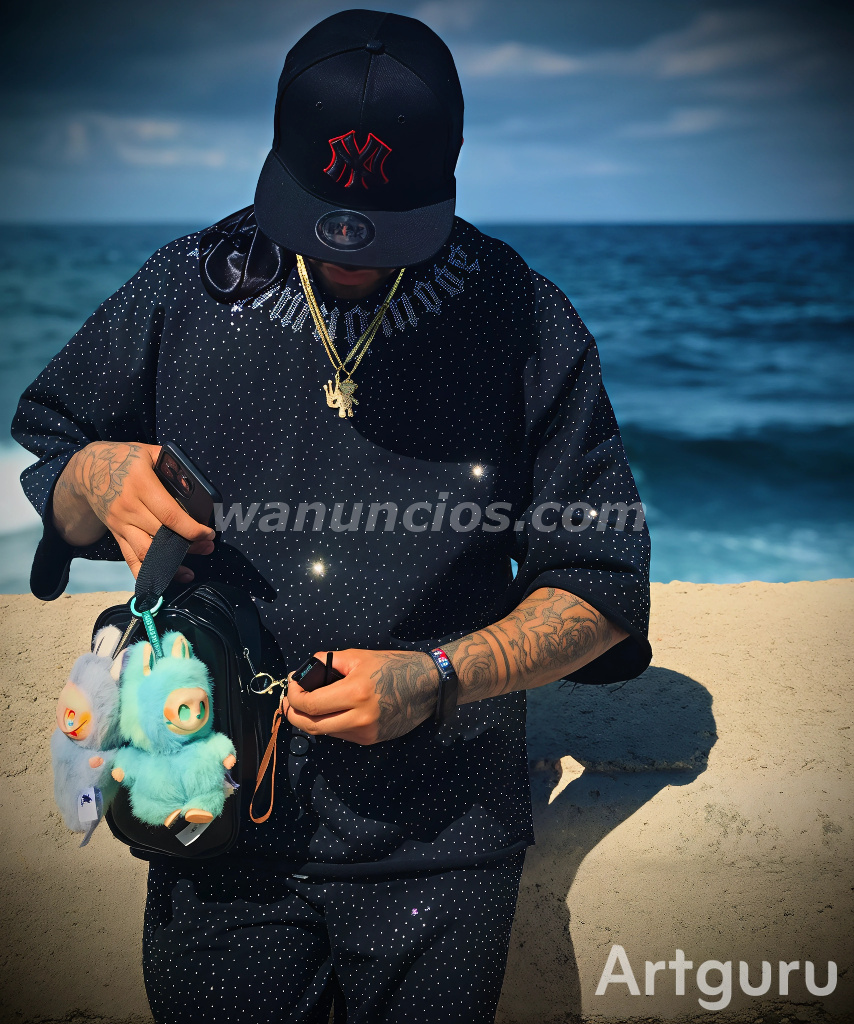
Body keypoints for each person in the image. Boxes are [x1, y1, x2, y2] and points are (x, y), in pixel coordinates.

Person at [12, 10, 651, 1023]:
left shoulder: (523, 315)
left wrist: (438, 677)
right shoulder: (185, 284)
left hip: (442, 844)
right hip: (203, 813)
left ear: (446, 176)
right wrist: (96, 475)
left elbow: (602, 584)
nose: (346, 256)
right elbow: (56, 455)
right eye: (318, 222)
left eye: (380, 232)